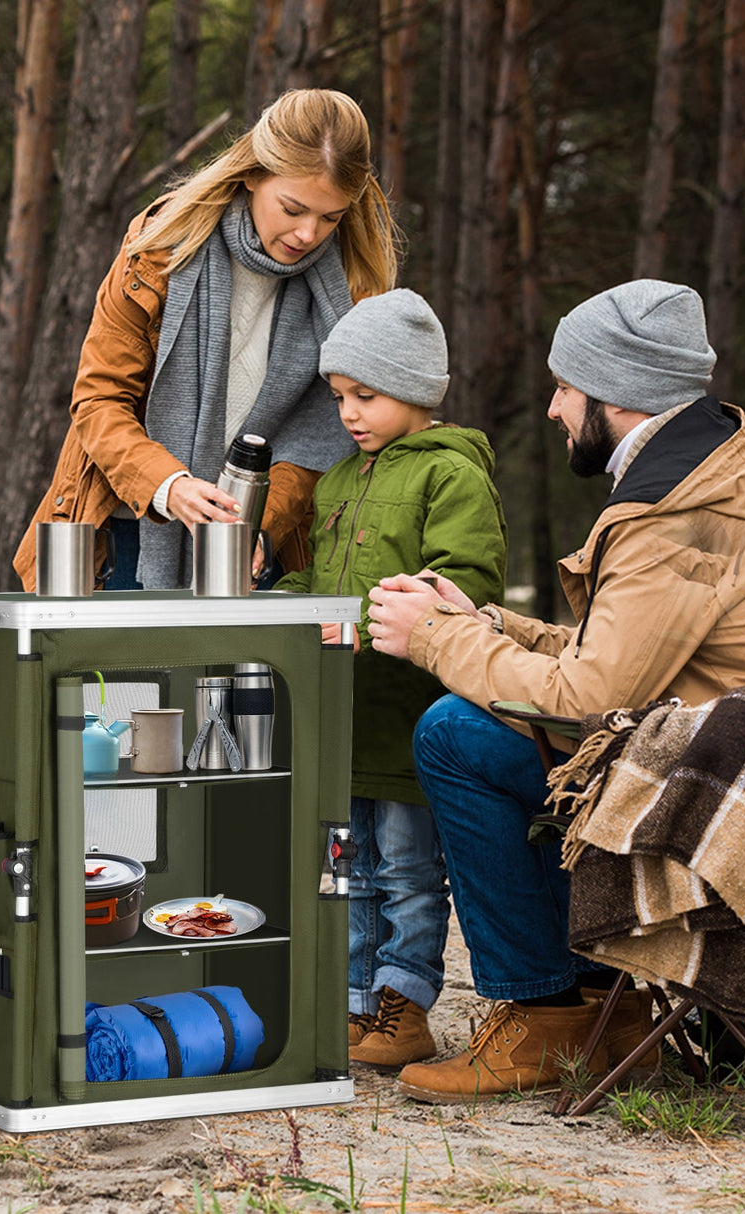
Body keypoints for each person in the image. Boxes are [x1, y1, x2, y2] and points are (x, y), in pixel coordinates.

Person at [365, 279, 745, 1102]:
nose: (553, 408)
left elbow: (587, 699)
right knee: (507, 732)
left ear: (616, 394)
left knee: (455, 735)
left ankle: (549, 1012)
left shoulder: (670, 517)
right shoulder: (720, 478)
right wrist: (489, 623)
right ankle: (600, 1012)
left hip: (725, 805)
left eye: (565, 387)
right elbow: (628, 661)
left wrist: (435, 639)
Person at [12, 88, 400, 592]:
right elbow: (98, 400)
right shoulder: (159, 250)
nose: (309, 234)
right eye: (293, 208)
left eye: (331, 218)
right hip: (128, 535)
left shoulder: (349, 289)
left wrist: (258, 524)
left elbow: (323, 442)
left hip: (261, 549)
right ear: (253, 174)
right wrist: (169, 486)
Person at [276, 289, 507, 1071]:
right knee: (349, 869)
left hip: (411, 719)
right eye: (339, 396)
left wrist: (372, 622)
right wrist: (274, 602)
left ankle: (405, 1003)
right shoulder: (339, 481)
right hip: (346, 721)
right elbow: (320, 581)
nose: (348, 413)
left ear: (413, 388)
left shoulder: (453, 476)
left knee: (408, 872)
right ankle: (355, 1004)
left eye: (365, 396)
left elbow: (463, 585)